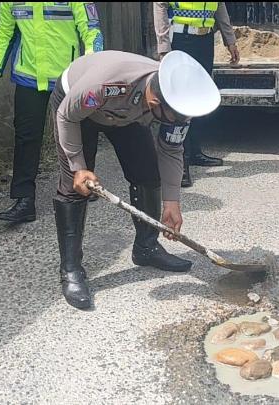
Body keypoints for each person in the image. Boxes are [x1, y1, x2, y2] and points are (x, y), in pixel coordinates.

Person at [50, 50, 221, 309]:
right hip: (77, 110)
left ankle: (146, 247)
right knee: (77, 188)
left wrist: (172, 202)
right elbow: (67, 115)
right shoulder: (106, 85)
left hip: (127, 114)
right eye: (175, 116)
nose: (180, 121)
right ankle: (71, 270)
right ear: (154, 100)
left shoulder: (175, 105)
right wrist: (78, 167)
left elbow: (172, 149)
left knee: (147, 175)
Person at [0, 2, 103, 223]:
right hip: (29, 76)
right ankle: (24, 199)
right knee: (26, 137)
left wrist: (92, 66)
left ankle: (85, 182)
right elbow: (5, 32)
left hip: (69, 76)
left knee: (81, 130)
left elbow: (91, 28)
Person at [153, 2, 240, 187]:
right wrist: (163, 47)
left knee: (199, 96)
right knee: (180, 102)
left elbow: (219, 7)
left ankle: (194, 153)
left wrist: (230, 40)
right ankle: (180, 163)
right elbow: (160, 6)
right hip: (181, 39)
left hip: (205, 40)